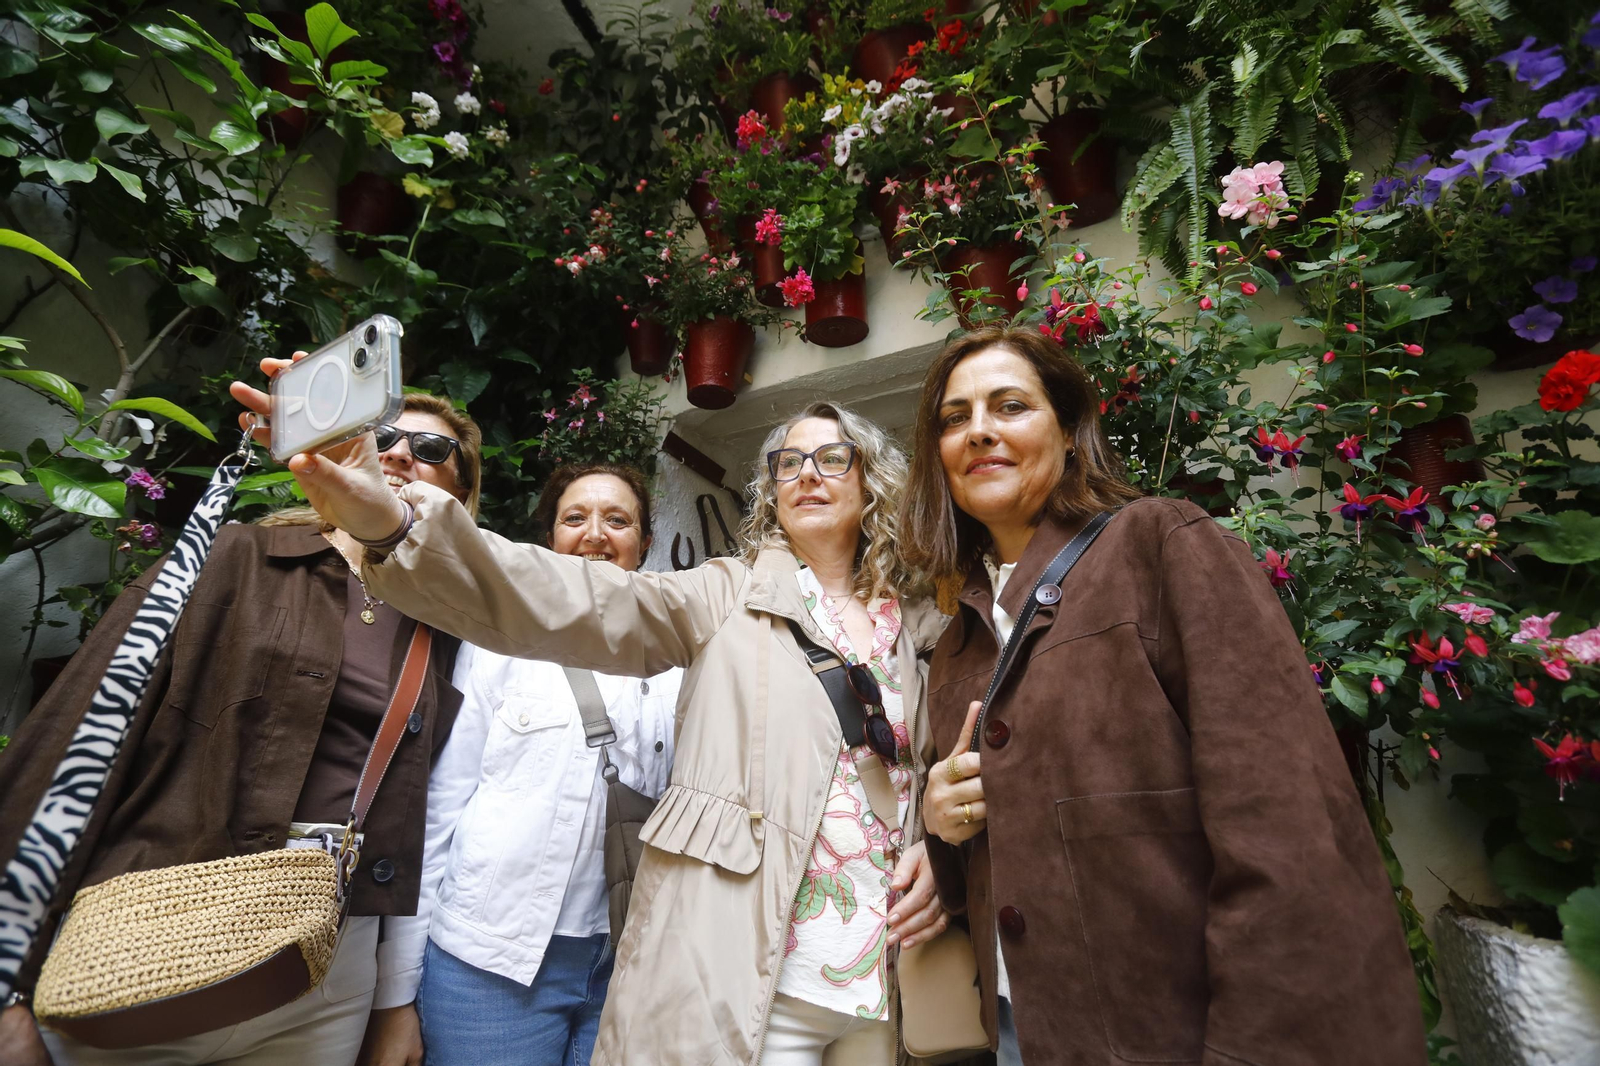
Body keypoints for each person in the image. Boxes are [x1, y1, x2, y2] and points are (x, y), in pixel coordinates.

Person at [231, 362, 953, 1066]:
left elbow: (943, 769)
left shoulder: (922, 627)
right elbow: (576, 598)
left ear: (872, 482)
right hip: (761, 974)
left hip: (885, 968)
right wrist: (391, 521)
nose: (807, 474)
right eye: (788, 462)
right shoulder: (724, 596)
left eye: (833, 458)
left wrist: (936, 847)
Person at [903, 326, 1428, 1066]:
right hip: (1024, 1032)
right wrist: (941, 826)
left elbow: (1288, 827)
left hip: (1176, 1035)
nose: (979, 430)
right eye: (955, 418)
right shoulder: (956, 643)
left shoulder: (1160, 546)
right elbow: (991, 871)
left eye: (1010, 405)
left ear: (1070, 432)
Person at [0, 394, 483, 1066]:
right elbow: (78, 733)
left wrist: (390, 1001)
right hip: (155, 929)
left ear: (460, 492)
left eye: (431, 450)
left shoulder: (455, 629)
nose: (400, 454)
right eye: (380, 436)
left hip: (328, 964)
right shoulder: (235, 556)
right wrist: (8, 979)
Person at [359, 463, 681, 1066]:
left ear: (643, 543)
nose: (595, 534)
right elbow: (440, 812)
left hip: (629, 961)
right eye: (574, 518)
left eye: (617, 520)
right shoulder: (495, 642)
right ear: (549, 538)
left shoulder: (676, 660)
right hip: (491, 963)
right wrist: (395, 996)